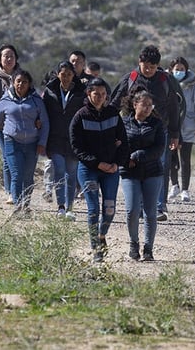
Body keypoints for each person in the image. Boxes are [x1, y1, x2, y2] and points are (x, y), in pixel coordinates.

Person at [109, 45, 181, 222]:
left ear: (158, 66)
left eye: (152, 66)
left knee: (160, 167)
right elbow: (114, 103)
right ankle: (139, 206)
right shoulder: (131, 78)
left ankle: (158, 206)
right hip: (132, 131)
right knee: (135, 165)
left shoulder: (166, 80)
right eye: (145, 65)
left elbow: (174, 108)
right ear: (139, 63)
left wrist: (175, 133)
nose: (148, 69)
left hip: (159, 130)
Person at [70, 78, 129, 263]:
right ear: (89, 94)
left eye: (104, 95)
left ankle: (102, 235)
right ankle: (96, 250)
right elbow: (76, 147)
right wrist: (96, 163)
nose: (100, 98)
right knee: (93, 209)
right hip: (89, 170)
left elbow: (123, 141)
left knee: (110, 210)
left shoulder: (113, 113)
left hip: (111, 170)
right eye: (96, 94)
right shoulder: (80, 116)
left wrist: (117, 163)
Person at [0, 70, 49, 214]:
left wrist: (42, 142)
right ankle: (18, 206)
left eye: (24, 82)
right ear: (13, 83)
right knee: (16, 174)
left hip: (32, 143)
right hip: (11, 141)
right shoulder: (5, 100)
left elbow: (45, 122)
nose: (21, 84)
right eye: (18, 81)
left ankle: (26, 204)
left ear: (29, 84)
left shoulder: (36, 100)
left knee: (28, 176)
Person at [120, 88, 166, 262]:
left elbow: (159, 149)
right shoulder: (123, 123)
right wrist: (126, 159)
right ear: (134, 104)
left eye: (150, 105)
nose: (147, 108)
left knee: (150, 212)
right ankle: (134, 243)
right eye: (144, 104)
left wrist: (137, 156)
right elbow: (118, 145)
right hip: (129, 172)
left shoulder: (157, 124)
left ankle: (148, 248)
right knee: (132, 210)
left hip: (152, 171)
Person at [42, 60, 86, 220]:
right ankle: (60, 206)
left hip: (74, 140)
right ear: (57, 74)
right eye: (63, 74)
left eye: (69, 74)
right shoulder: (50, 91)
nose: (66, 77)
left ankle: (70, 208)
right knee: (59, 170)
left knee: (71, 174)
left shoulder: (81, 92)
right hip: (55, 139)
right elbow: (43, 112)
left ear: (73, 75)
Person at [167, 56, 195, 202]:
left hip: (188, 126)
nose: (179, 72)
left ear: (186, 70)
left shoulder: (193, 87)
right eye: (176, 69)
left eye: (182, 69)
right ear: (171, 70)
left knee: (185, 159)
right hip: (171, 126)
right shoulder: (166, 84)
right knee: (171, 158)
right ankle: (174, 185)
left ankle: (185, 189)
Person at [0, 44, 20, 204]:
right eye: (6, 56)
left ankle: (18, 189)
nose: (9, 59)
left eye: (12, 56)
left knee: (18, 158)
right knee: (7, 158)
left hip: (21, 126)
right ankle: (10, 191)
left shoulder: (21, 76)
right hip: (2, 125)